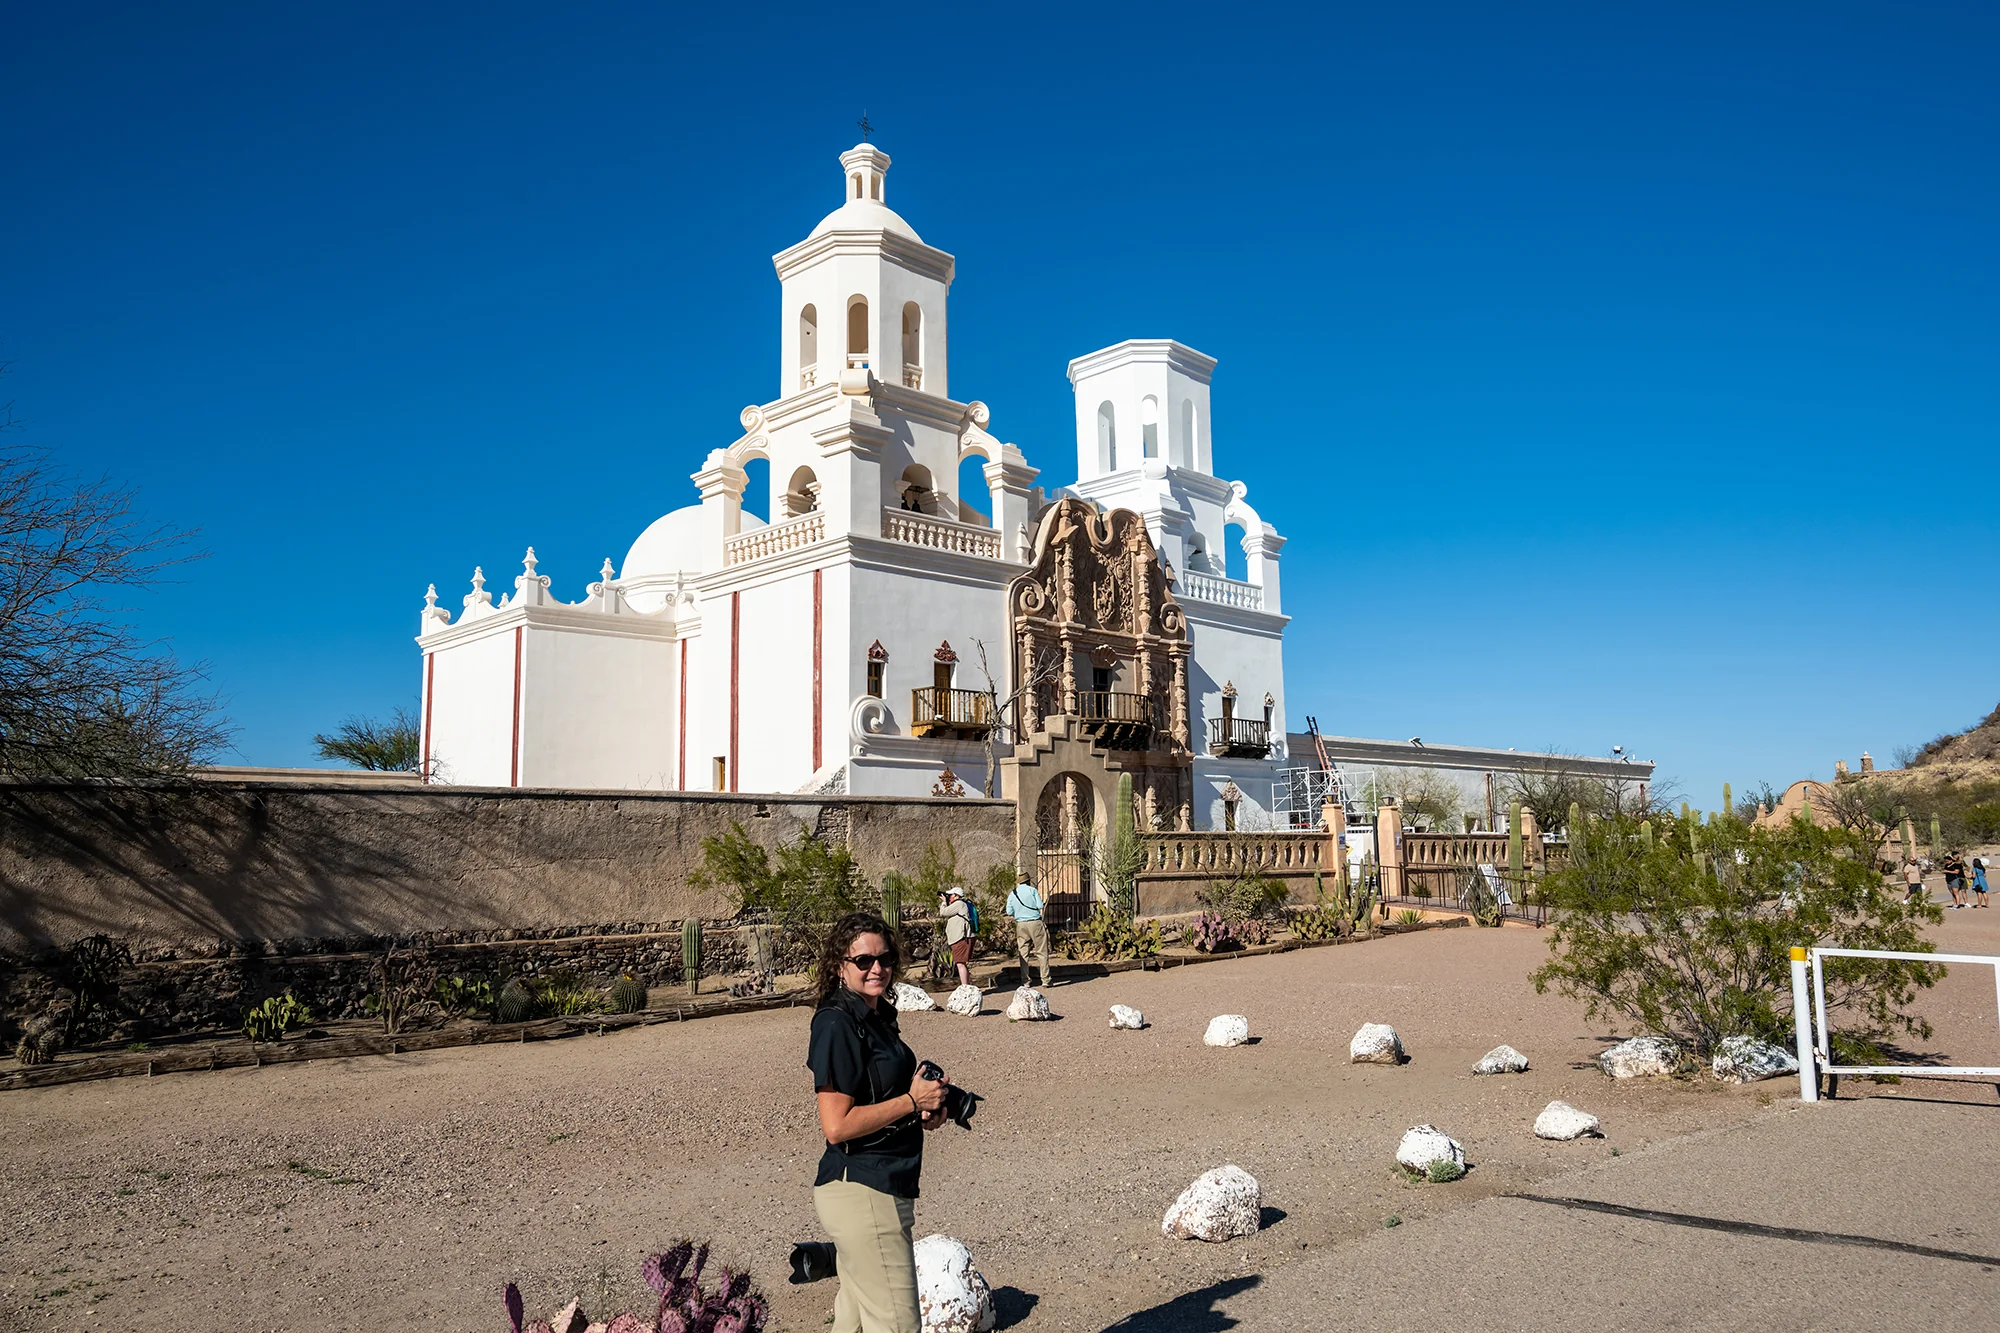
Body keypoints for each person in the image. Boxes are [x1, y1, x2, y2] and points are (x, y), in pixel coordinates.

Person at [806, 912, 948, 1333]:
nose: (877, 969)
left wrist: (925, 1107)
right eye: (863, 961)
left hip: (879, 1188)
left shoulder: (874, 1017)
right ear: (839, 966)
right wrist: (909, 1100)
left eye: (884, 959)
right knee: (898, 1326)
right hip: (865, 1192)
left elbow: (882, 1097)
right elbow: (837, 1125)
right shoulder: (836, 1023)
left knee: (851, 1322)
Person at [1005, 874, 1052, 989]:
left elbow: (1009, 911)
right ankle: (1045, 979)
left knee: (1023, 953)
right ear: (1028, 881)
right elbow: (1040, 905)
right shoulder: (1032, 891)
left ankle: (1025, 980)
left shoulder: (1013, 893)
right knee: (1041, 951)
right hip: (1035, 922)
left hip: (1021, 924)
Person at [938, 887, 974, 989]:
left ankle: (964, 988)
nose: (950, 897)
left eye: (951, 895)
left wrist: (944, 902)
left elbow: (943, 912)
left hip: (961, 937)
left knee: (960, 963)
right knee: (961, 963)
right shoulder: (961, 904)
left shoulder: (959, 904)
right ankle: (966, 986)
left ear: (957, 895)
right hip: (961, 937)